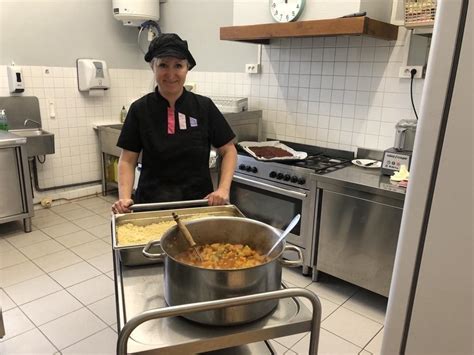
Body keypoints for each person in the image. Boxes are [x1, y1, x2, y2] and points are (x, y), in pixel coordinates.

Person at [112, 33, 237, 213]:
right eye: (163, 65)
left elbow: (229, 150)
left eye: (178, 65)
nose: (171, 74)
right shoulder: (140, 110)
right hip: (150, 206)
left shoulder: (204, 107)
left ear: (187, 68)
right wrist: (124, 197)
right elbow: (127, 160)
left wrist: (223, 189)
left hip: (198, 205)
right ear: (152, 67)